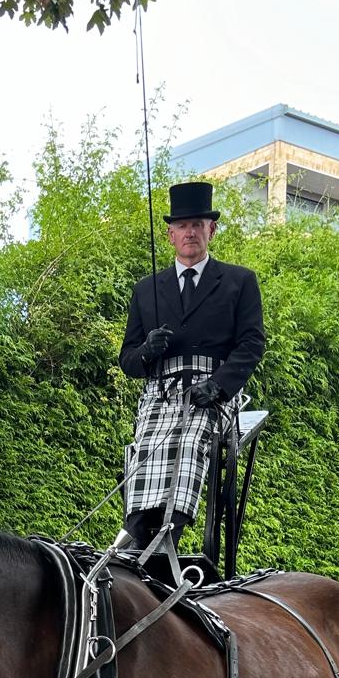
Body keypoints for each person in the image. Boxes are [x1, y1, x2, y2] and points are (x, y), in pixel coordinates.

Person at [118, 180, 265, 560]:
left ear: (211, 230)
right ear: (170, 235)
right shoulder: (146, 289)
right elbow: (128, 360)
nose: (190, 233)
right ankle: (138, 536)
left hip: (210, 393)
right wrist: (148, 351)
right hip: (161, 393)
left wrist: (218, 386)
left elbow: (251, 344)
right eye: (182, 226)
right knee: (144, 446)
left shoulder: (239, 281)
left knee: (188, 440)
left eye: (198, 224)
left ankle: (167, 537)